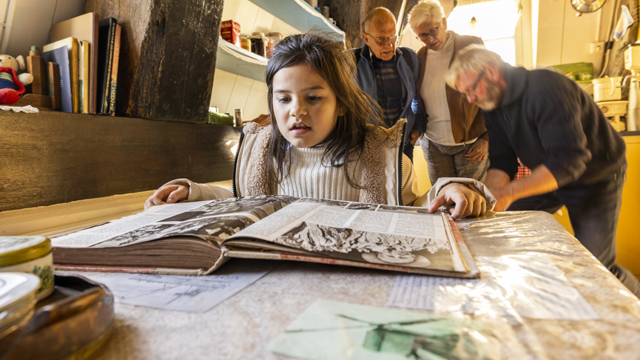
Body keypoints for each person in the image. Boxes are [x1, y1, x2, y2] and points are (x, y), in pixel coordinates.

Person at [145, 33, 494, 220]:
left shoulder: (382, 160)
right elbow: (243, 200)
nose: (296, 112)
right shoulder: (262, 154)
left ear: (340, 102)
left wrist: (447, 191)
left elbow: (413, 208)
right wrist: (195, 192)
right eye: (283, 99)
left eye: (313, 98)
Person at [444, 44, 640, 296]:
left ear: (491, 72)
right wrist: (490, 198)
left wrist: (509, 193)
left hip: (594, 176)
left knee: (598, 268)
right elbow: (502, 161)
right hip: (549, 174)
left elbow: (569, 161)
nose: (470, 99)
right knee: (504, 228)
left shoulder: (546, 87)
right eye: (465, 94)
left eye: (471, 90)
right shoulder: (490, 104)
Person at [408, 0, 489, 185]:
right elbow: (417, 100)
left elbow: (493, 94)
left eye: (433, 31)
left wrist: (487, 137)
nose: (429, 39)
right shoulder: (419, 57)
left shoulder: (472, 45)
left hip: (470, 144)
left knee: (470, 205)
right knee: (444, 203)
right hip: (434, 145)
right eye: (422, 35)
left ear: (444, 23)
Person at [354, 7, 424, 162]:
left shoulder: (409, 58)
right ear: (366, 39)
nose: (389, 45)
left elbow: (419, 97)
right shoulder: (353, 62)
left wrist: (417, 129)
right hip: (369, 147)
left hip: (404, 145)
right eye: (381, 39)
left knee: (404, 186)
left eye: (392, 37)